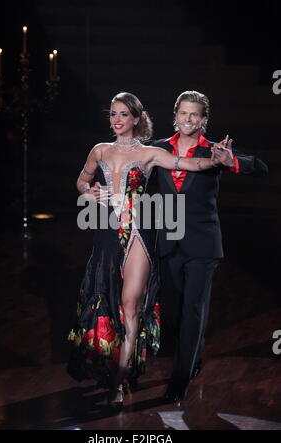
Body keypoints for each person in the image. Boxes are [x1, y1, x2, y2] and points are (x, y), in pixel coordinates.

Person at [67, 92, 217, 409]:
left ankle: (120, 382)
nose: (117, 120)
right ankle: (116, 368)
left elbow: (186, 162)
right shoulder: (99, 150)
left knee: (130, 304)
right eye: (113, 114)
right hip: (106, 233)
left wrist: (216, 160)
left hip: (138, 233)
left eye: (124, 114)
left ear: (136, 118)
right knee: (106, 299)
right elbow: (81, 180)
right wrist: (89, 191)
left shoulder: (150, 153)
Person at [152, 90, 268, 403]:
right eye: (183, 113)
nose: (188, 119)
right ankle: (193, 352)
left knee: (193, 309)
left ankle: (180, 378)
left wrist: (231, 162)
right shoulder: (157, 149)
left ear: (204, 119)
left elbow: (260, 167)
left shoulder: (215, 151)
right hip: (167, 241)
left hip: (203, 244)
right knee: (175, 312)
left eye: (195, 115)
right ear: (175, 116)